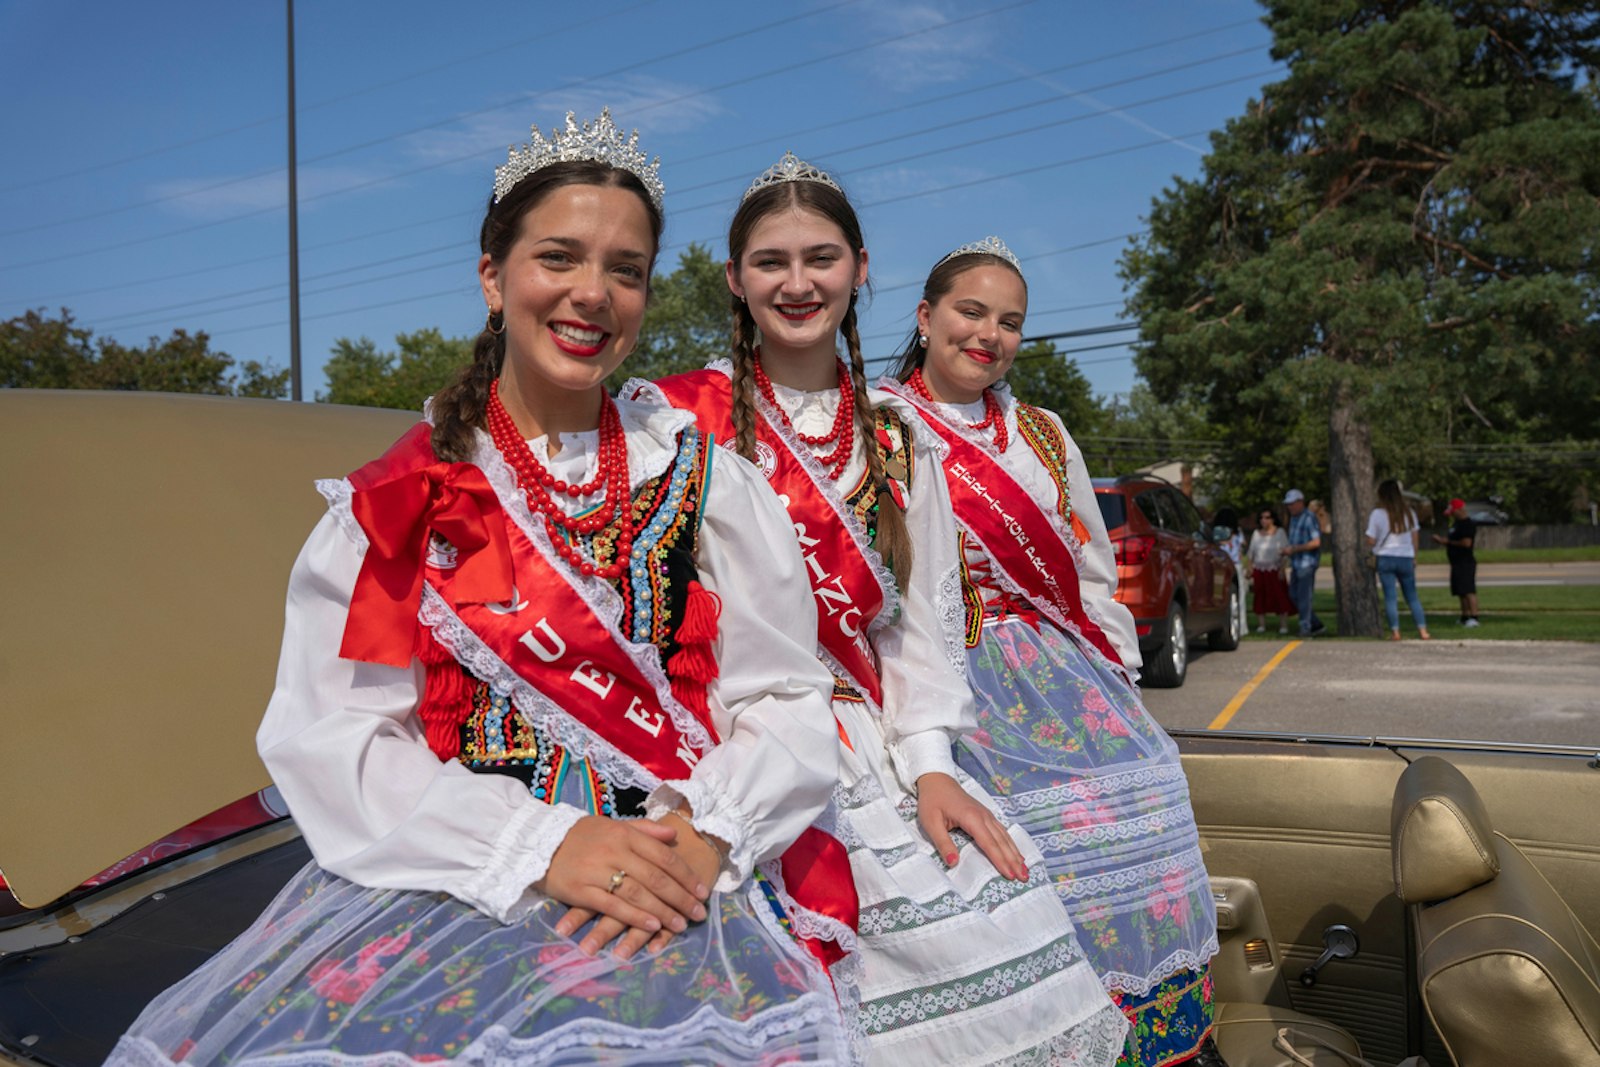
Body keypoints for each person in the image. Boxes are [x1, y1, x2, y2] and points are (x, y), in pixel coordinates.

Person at [112, 111, 862, 1067]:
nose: (593, 294)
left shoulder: (710, 482)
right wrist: (539, 845)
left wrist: (712, 833)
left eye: (625, 270)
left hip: (682, 884)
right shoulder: (402, 499)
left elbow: (787, 698)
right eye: (559, 256)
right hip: (466, 884)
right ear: (492, 276)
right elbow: (335, 735)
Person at [632, 160, 1126, 1066]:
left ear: (861, 269)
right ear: (733, 278)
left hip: (870, 748)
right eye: (770, 260)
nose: (796, 282)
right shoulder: (668, 419)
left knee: (995, 942)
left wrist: (933, 765)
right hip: (719, 752)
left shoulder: (896, 436)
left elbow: (916, 628)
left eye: (820, 257)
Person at [880, 237, 1222, 1067]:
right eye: (970, 312)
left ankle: (1159, 1033)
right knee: (1020, 863)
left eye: (1010, 322)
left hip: (1064, 669)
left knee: (1153, 797)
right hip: (949, 672)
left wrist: (1116, 680)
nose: (989, 335)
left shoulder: (1041, 430)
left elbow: (1091, 565)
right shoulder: (880, 425)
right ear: (926, 318)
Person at [1366, 479, 1431, 640]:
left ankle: (1395, 631)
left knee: (1390, 597)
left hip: (1386, 557)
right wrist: (1414, 556)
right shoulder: (1409, 513)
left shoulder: (1377, 514)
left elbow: (1371, 540)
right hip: (1406, 556)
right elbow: (1415, 538)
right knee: (1412, 596)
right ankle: (1423, 630)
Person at [1282, 489, 1326, 637]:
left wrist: (1295, 549)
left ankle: (1305, 628)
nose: (1290, 507)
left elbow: (1316, 542)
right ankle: (1316, 624)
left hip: (1307, 563)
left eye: (1293, 504)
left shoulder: (1308, 518)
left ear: (1301, 502)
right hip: (1296, 563)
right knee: (1293, 594)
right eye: (1288, 504)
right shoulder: (1294, 518)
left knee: (1303, 596)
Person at [1433, 497, 1479, 626]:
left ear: (1460, 510)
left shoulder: (1467, 524)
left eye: (1453, 512)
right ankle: (1465, 616)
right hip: (1456, 562)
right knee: (1460, 591)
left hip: (1465, 562)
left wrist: (1447, 542)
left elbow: (1466, 543)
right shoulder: (1456, 524)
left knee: (1469, 590)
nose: (1452, 514)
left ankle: (1474, 617)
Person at [1247, 507, 1293, 634]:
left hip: (1275, 568)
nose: (1264, 520)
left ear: (1273, 519)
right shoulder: (1256, 534)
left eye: (1267, 518)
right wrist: (1249, 567)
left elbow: (1285, 551)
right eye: (1262, 518)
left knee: (1280, 595)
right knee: (1260, 596)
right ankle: (1261, 625)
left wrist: (1282, 569)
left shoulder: (1280, 533)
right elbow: (1251, 553)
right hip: (1260, 569)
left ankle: (1283, 625)